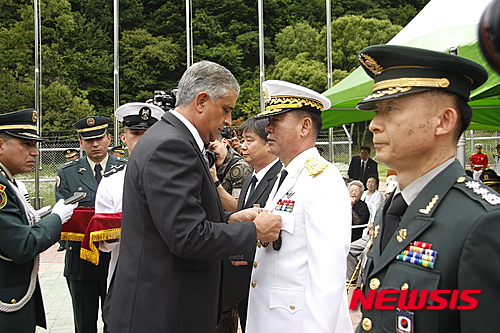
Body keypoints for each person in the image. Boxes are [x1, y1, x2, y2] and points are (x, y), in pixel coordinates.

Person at [103, 60, 281, 332]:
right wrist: (252, 231)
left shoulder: (170, 138)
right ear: (201, 102)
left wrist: (231, 220)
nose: (228, 121)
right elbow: (186, 235)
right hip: (162, 313)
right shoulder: (172, 146)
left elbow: (172, 218)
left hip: (162, 307)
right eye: (226, 110)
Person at [354, 44, 500, 333]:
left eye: (391, 109)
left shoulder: (483, 222)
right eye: (376, 111)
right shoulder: (392, 209)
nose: (373, 125)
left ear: (444, 121)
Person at [245, 80, 352, 333]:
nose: (268, 128)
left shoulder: (322, 178)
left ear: (305, 127)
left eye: (276, 120)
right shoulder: (289, 175)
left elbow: (327, 277)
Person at [0, 108, 76, 333]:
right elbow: (22, 246)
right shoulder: (2, 188)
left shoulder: (8, 182)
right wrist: (56, 218)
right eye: (26, 144)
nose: (35, 152)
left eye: (35, 145)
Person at [55, 116, 127, 333]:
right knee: (84, 323)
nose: (95, 144)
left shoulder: (126, 168)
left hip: (116, 259)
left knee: (116, 321)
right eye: (88, 140)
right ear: (80, 143)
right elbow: (63, 216)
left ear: (109, 138)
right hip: (81, 260)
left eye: (99, 138)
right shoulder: (67, 173)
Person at [82, 103, 164, 288]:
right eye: (135, 134)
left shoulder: (174, 177)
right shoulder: (111, 183)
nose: (142, 140)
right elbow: (104, 245)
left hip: (166, 275)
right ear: (123, 137)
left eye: (148, 134)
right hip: (128, 277)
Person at [223, 117, 282, 332]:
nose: (243, 146)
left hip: (260, 276)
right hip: (240, 279)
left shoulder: (280, 178)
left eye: (250, 140)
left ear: (269, 143)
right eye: (243, 140)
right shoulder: (251, 177)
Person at [209, 133, 253, 212]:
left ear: (224, 142)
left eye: (213, 148)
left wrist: (215, 181)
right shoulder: (210, 165)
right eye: (207, 150)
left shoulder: (240, 167)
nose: (211, 154)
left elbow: (237, 208)